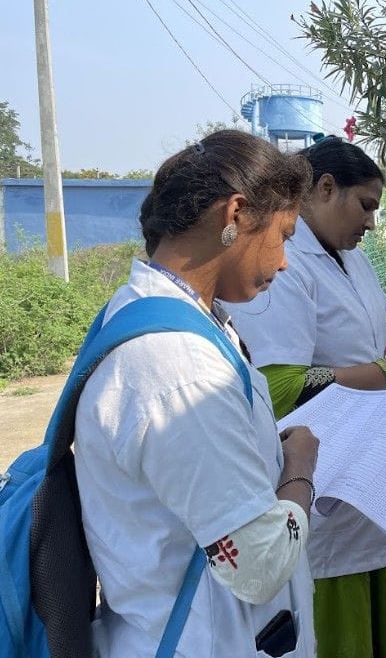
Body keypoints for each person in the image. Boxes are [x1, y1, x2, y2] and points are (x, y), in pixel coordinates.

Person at [227, 136, 386, 658]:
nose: (370, 222)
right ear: (324, 188)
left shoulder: (348, 257)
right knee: (342, 600)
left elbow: (374, 320)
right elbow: (279, 385)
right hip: (327, 468)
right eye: (365, 206)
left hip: (377, 457)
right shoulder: (285, 266)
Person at [73, 130, 319, 657]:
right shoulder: (177, 367)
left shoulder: (157, 313)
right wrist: (299, 468)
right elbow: (258, 567)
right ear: (235, 214)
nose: (284, 262)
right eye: (284, 234)